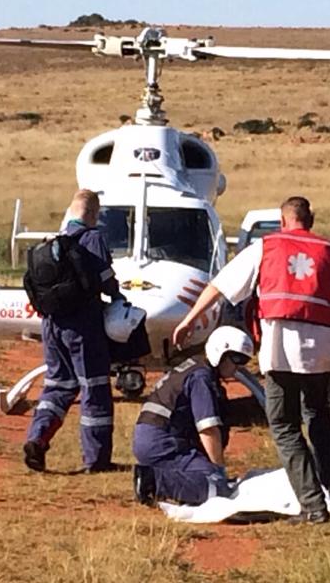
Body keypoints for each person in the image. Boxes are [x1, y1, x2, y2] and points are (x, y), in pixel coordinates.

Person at [172, 196, 330, 524]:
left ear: (282, 220)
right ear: (310, 218)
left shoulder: (267, 247)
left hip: (279, 351)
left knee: (284, 425)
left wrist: (190, 320)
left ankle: (313, 504)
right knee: (318, 417)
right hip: (319, 352)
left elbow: (220, 285)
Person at [23, 189, 124, 473]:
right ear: (92, 214)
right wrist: (120, 302)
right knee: (94, 388)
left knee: (57, 386)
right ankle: (97, 460)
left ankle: (37, 438)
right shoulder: (93, 239)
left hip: (52, 325)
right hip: (83, 325)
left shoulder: (54, 242)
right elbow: (106, 281)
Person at [133, 326, 254, 505]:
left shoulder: (195, 366)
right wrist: (218, 470)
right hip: (163, 442)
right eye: (236, 358)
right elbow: (208, 428)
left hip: (154, 437)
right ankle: (153, 482)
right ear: (219, 353)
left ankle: (162, 474)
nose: (239, 366)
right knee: (215, 489)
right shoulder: (201, 377)